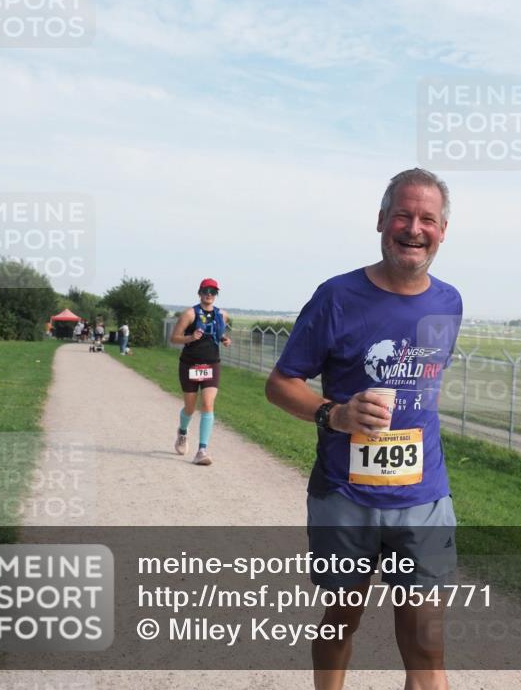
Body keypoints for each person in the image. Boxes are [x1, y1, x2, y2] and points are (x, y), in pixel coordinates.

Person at [265, 168, 461, 690]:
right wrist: (337, 414)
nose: (414, 228)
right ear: (381, 221)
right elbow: (281, 384)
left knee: (426, 644)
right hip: (345, 495)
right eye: (403, 214)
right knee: (341, 619)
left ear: (444, 230)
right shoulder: (336, 297)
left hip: (423, 497)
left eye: (427, 219)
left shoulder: (450, 303)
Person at [169, 278, 232, 466]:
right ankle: (182, 432)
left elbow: (218, 333)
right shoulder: (189, 314)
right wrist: (190, 337)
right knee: (190, 407)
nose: (209, 295)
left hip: (211, 364)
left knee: (207, 403)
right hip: (190, 365)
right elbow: (174, 338)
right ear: (199, 292)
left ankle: (201, 450)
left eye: (213, 292)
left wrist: (224, 339)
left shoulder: (222, 315)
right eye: (206, 291)